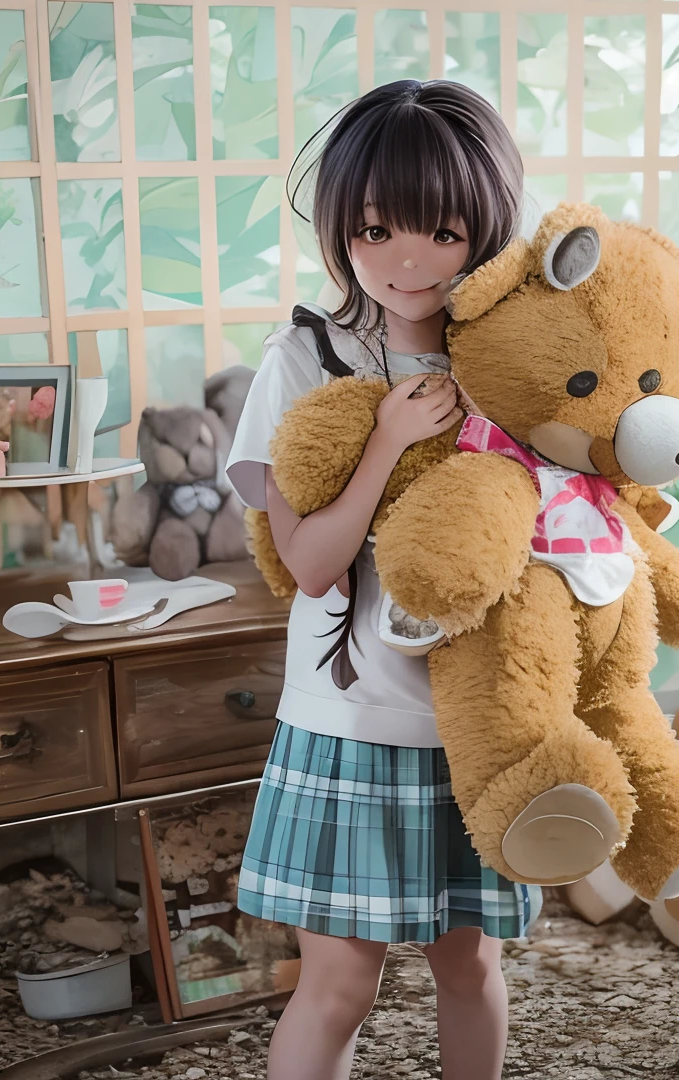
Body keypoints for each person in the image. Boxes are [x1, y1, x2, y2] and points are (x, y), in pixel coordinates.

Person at [225, 79, 531, 1080]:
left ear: (484, 228)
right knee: (340, 986)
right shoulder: (309, 356)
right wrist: (388, 437)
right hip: (350, 723)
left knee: (469, 965)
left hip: (473, 716)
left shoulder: (508, 359)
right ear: (340, 228)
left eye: (442, 232)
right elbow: (311, 566)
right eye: (375, 230)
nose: (408, 262)